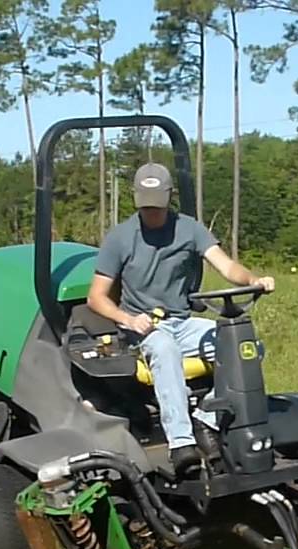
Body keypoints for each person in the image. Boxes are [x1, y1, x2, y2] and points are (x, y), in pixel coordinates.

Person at [88, 162, 275, 473]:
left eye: (158, 207)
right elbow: (96, 297)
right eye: (146, 208)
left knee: (247, 346)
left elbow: (227, 267)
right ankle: (181, 443)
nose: (152, 214)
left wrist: (254, 280)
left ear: (169, 198)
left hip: (183, 322)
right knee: (163, 348)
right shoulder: (120, 237)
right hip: (143, 327)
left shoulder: (189, 229)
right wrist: (128, 319)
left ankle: (207, 419)